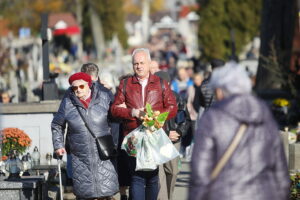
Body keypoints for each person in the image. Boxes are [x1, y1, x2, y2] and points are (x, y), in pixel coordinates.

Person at [189, 62, 290, 200]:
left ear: (219, 90)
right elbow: (280, 169)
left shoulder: (213, 118)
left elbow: (200, 172)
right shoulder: (264, 114)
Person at [111, 48, 178, 200]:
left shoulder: (160, 83)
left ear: (149, 64)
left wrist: (155, 117)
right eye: (136, 64)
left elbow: (172, 107)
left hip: (154, 136)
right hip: (132, 136)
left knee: (153, 177)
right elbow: (114, 110)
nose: (139, 66)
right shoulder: (125, 84)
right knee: (137, 176)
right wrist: (132, 112)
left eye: (142, 63)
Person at [52, 72, 119, 200]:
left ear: (89, 85)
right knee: (85, 194)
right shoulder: (67, 103)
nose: (78, 90)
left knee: (107, 193)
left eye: (81, 86)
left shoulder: (104, 98)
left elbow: (116, 119)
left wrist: (114, 142)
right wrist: (58, 145)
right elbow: (57, 125)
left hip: (103, 154)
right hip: (80, 158)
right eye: (74, 88)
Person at [154, 71, 191, 200]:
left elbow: (185, 119)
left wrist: (179, 132)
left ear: (168, 84)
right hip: (156, 141)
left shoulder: (177, 98)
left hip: (173, 141)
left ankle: (169, 197)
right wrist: (164, 134)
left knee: (173, 172)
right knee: (159, 175)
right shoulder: (150, 99)